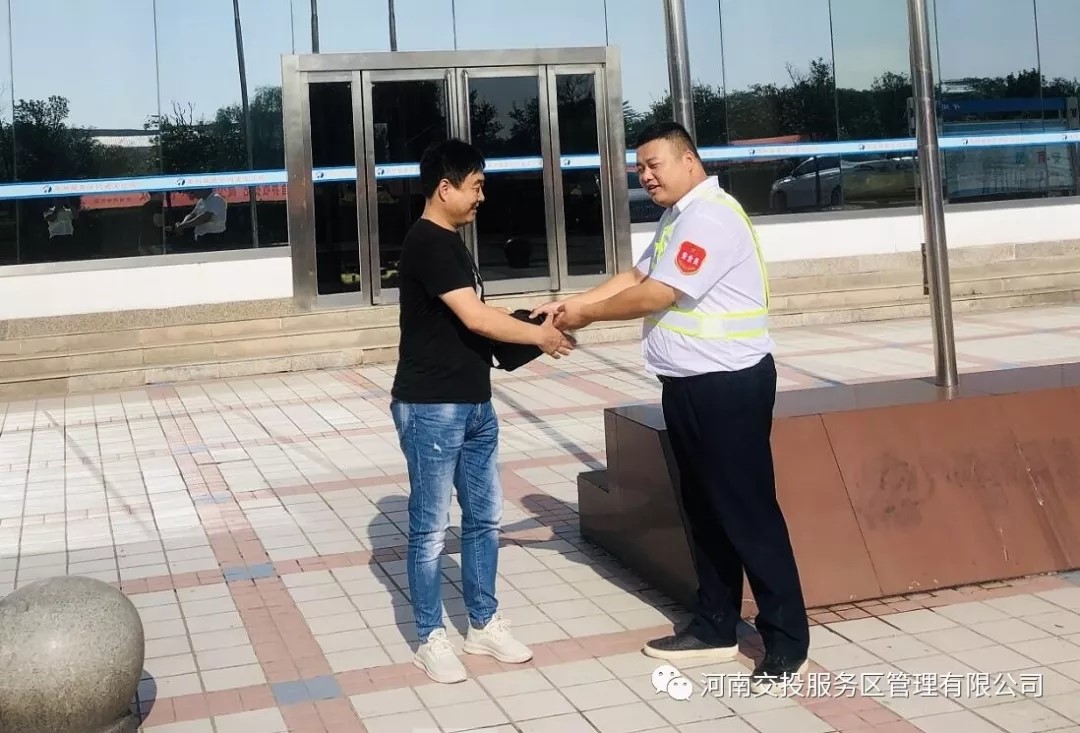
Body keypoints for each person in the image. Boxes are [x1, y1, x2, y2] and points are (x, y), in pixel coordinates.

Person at [533, 121, 810, 694]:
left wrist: (587, 316)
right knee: (705, 510)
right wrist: (572, 304)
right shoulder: (679, 217)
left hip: (728, 386)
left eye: (654, 164)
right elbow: (638, 275)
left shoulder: (710, 218)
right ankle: (715, 625)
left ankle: (787, 640)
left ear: (689, 160)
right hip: (688, 385)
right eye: (640, 168)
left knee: (747, 513)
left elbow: (660, 293)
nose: (646, 175)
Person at [390, 138, 575, 684]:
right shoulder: (426, 241)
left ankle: (483, 624)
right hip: (431, 409)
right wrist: (540, 337)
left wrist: (530, 321)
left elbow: (476, 315)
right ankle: (430, 637)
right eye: (475, 187)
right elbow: (474, 318)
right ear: (444, 188)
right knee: (430, 529)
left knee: (484, 518)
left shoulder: (451, 242)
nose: (481, 197)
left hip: (474, 405)